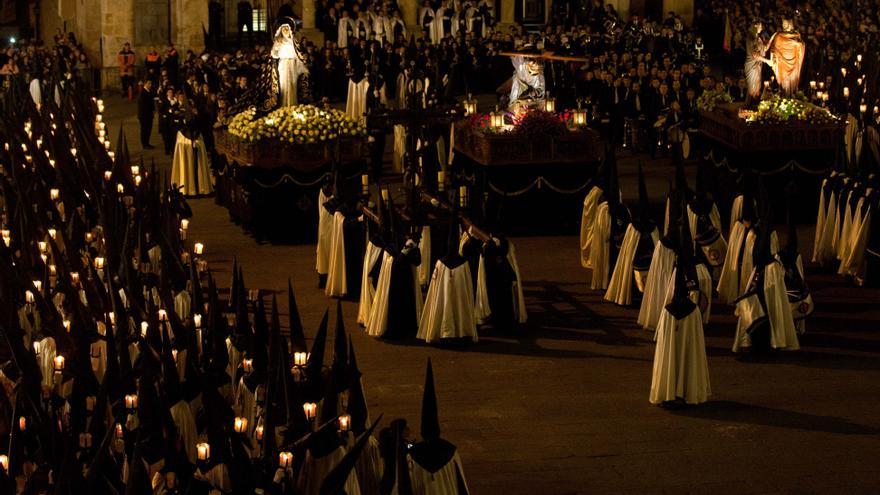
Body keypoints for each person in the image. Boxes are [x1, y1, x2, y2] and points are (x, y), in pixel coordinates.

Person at [271, 22, 308, 106]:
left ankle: (292, 104)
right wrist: (276, 47)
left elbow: (298, 55)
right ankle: (283, 104)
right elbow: (274, 55)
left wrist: (302, 66)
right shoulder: (279, 41)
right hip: (283, 64)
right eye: (284, 29)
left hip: (292, 64)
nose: (285, 31)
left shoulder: (294, 41)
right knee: (283, 84)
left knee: (293, 84)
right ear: (281, 31)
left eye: (287, 29)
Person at [767, 18, 805, 97]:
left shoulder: (796, 35)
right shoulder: (779, 35)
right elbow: (774, 48)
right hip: (782, 61)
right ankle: (783, 94)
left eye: (785, 23)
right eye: (783, 23)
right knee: (783, 80)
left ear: (790, 24)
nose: (783, 25)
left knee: (792, 80)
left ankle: (791, 95)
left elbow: (801, 45)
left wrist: (797, 43)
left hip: (793, 61)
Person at [137, 79, 156, 149]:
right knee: (144, 130)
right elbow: (144, 105)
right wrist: (151, 110)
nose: (150, 85)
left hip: (149, 115)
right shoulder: (143, 92)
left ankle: (147, 143)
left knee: (148, 129)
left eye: (151, 83)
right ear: (145, 84)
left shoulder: (149, 91)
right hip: (144, 115)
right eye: (149, 83)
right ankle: (144, 144)